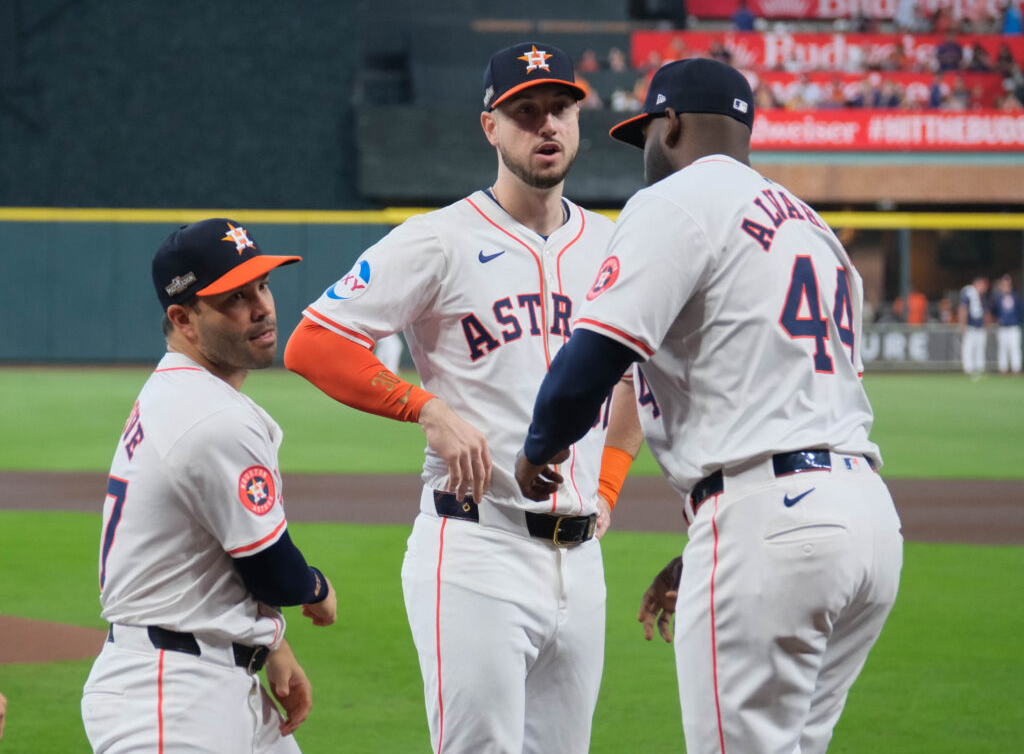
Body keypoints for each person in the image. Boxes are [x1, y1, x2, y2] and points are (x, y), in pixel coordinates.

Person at [515, 58, 903, 754]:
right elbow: (791, 394)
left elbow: (594, 357)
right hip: (866, 520)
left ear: (671, 124)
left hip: (774, 524)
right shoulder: (812, 228)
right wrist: (710, 543)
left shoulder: (676, 202)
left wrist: (539, 447)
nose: (647, 157)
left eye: (647, 138)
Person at [284, 42, 640, 754]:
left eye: (561, 109)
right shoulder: (437, 240)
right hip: (478, 547)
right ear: (490, 128)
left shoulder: (615, 244)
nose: (547, 125)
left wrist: (606, 488)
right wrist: (426, 409)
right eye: (526, 111)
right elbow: (312, 345)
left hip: (581, 562)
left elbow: (631, 380)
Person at [81, 219, 338, 754]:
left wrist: (270, 643)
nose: (262, 307)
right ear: (183, 318)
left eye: (262, 286)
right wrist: (316, 588)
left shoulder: (181, 391)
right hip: (169, 699)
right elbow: (274, 572)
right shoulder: (210, 416)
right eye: (235, 298)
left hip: (208, 676)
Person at [991, 273, 1022, 373]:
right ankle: (1003, 369)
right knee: (1002, 349)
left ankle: (1016, 369)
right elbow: (993, 310)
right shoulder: (998, 298)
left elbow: (1020, 310)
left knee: (1015, 348)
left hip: (1013, 326)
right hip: (1002, 327)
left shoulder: (1016, 297)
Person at [959, 275, 990, 378]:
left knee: (980, 348)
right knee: (969, 348)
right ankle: (968, 368)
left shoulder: (982, 296)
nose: (984, 287)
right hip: (970, 327)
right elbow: (963, 308)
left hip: (980, 327)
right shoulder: (969, 292)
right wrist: (963, 324)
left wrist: (986, 325)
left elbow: (985, 312)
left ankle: (980, 368)